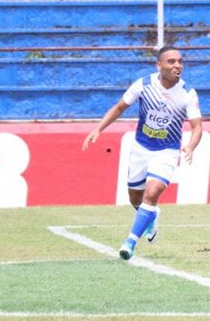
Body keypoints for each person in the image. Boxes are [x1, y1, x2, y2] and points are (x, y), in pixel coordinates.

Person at [83, 46, 203, 259]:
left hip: (166, 151)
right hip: (141, 149)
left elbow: (197, 126)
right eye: (171, 61)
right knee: (135, 198)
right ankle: (151, 216)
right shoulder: (143, 85)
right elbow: (119, 107)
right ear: (159, 65)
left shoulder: (187, 93)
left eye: (180, 61)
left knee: (152, 193)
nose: (177, 66)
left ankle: (129, 243)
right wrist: (98, 128)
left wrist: (191, 146)